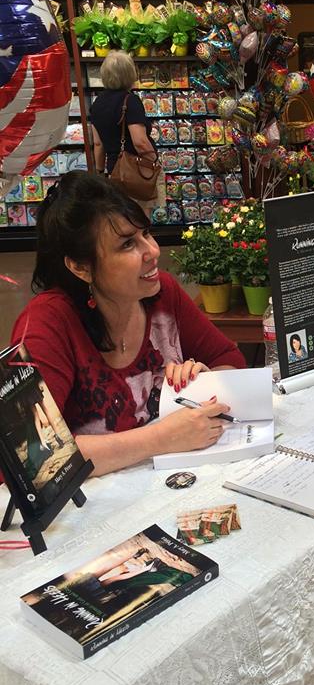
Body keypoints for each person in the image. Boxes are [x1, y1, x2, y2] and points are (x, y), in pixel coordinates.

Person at [12, 172, 246, 477]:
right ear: (81, 267)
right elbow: (31, 454)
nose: (153, 251)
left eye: (146, 233)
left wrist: (203, 382)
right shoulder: (47, 323)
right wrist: (162, 437)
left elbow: (229, 360)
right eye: (127, 244)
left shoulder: (162, 293)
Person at [89, 50, 155, 175]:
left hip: (114, 170)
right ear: (130, 73)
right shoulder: (130, 101)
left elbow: (98, 143)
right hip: (137, 170)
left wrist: (100, 171)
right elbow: (140, 142)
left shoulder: (97, 103)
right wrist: (155, 162)